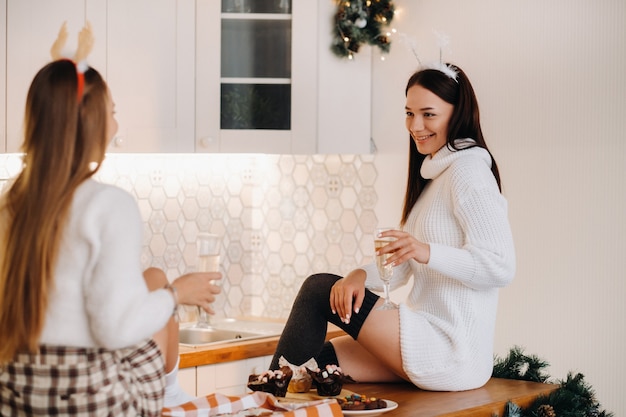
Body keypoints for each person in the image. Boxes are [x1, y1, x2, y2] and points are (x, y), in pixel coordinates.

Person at [0, 23, 220, 415]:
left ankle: (173, 395)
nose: (115, 125)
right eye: (112, 113)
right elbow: (115, 327)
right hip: (90, 400)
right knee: (161, 288)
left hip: (17, 391)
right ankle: (171, 398)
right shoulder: (108, 204)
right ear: (90, 122)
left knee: (151, 277)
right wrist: (178, 295)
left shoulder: (8, 204)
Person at [270, 63, 516, 391]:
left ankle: (261, 401)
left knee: (319, 290)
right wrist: (358, 274)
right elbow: (401, 268)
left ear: (458, 114)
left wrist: (426, 251)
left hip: (451, 350)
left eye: (429, 114)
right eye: (409, 113)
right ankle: (271, 397)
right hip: (426, 336)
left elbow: (500, 267)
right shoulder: (433, 178)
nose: (415, 126)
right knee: (317, 366)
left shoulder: (468, 171)